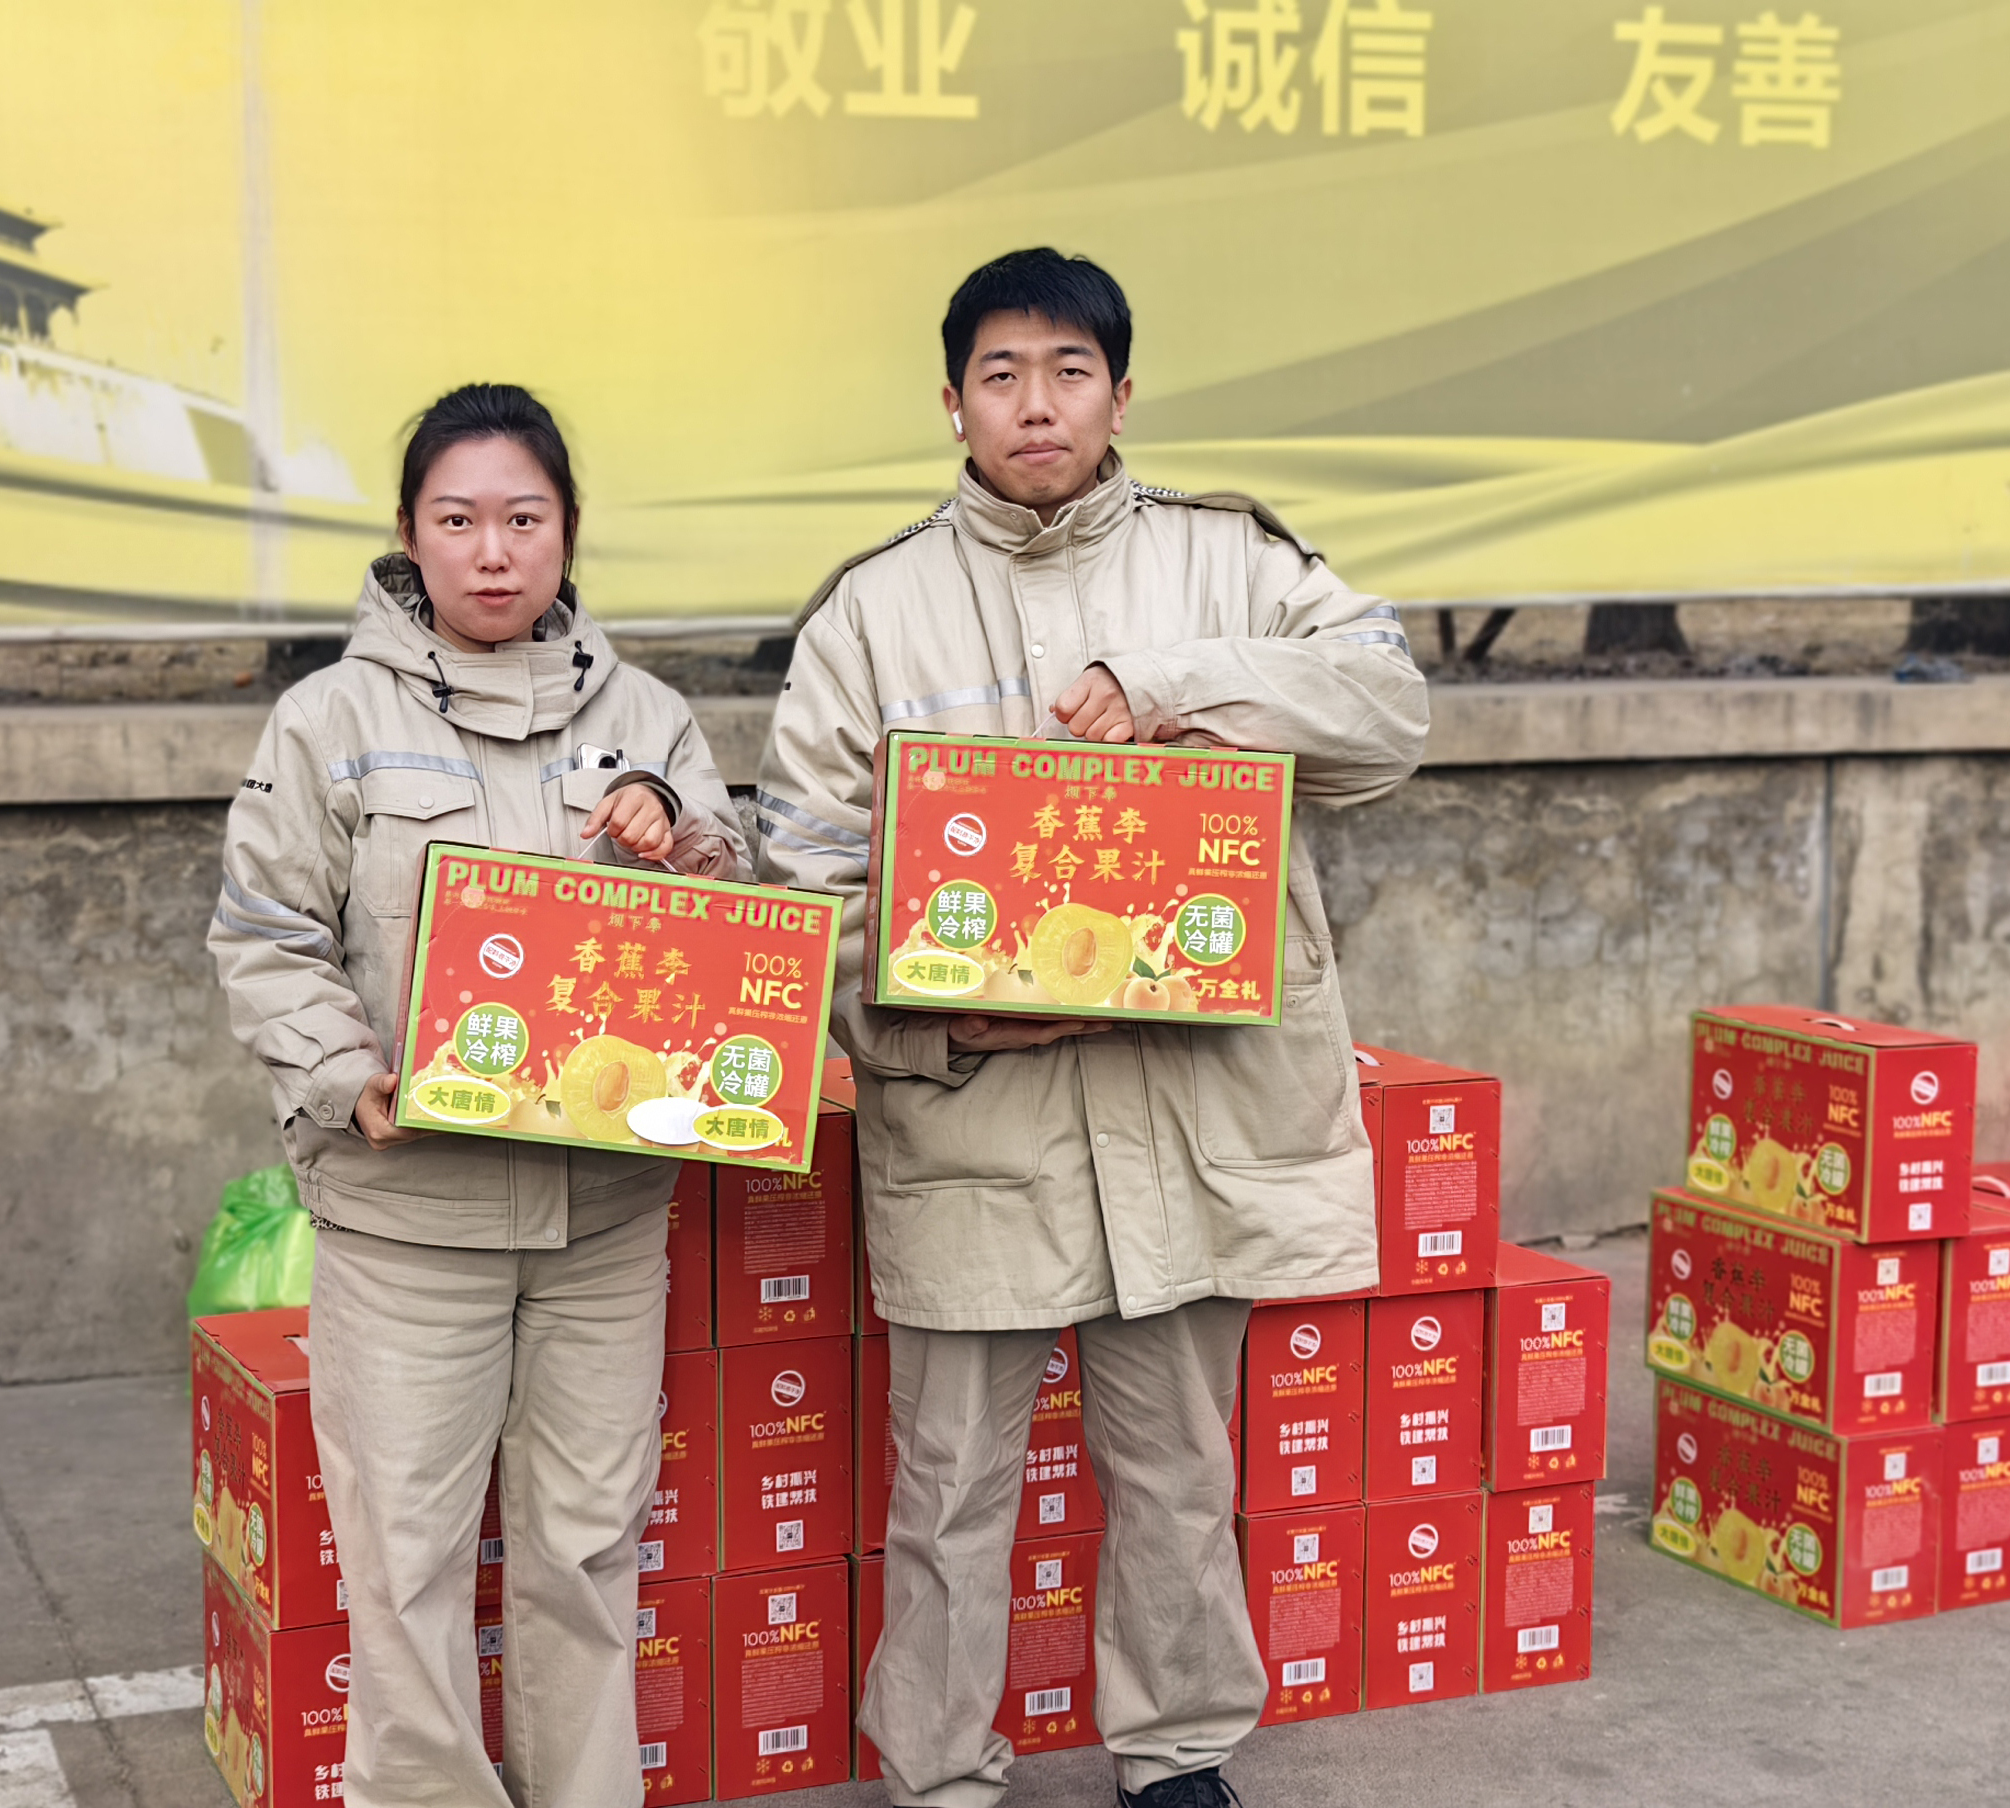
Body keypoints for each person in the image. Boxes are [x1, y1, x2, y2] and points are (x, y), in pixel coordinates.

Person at [753, 250, 1428, 1807]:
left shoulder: (1234, 564)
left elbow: (1390, 711)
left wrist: (1173, 683)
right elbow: (807, 876)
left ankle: (1178, 1749)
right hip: (978, 1125)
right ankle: (940, 1770)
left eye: (1069, 370)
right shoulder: (872, 613)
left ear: (1123, 393)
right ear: (953, 404)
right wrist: (933, 1015)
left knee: (1181, 1470)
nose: (1037, 404)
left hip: (1192, 1118)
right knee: (948, 1486)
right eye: (1002, 374)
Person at [209, 383, 747, 1808]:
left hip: (605, 1221)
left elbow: (737, 924)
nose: (493, 552)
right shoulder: (329, 720)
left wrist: (680, 831)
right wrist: (346, 1076)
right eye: (458, 521)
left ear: (568, 532)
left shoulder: (648, 716)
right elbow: (263, 937)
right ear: (409, 535)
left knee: (586, 1548)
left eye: (524, 518)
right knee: (407, 1562)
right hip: (409, 1219)